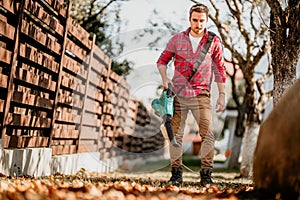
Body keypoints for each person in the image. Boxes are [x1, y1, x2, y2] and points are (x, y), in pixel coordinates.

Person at [156, 3, 226, 186]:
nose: (198, 24)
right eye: (195, 20)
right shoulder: (177, 39)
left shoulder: (214, 42)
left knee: (208, 134)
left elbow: (220, 68)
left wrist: (222, 94)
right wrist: (165, 78)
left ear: (207, 20)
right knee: (176, 135)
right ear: (190, 19)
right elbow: (162, 60)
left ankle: (206, 175)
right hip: (178, 94)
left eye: (202, 20)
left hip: (202, 94)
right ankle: (176, 174)